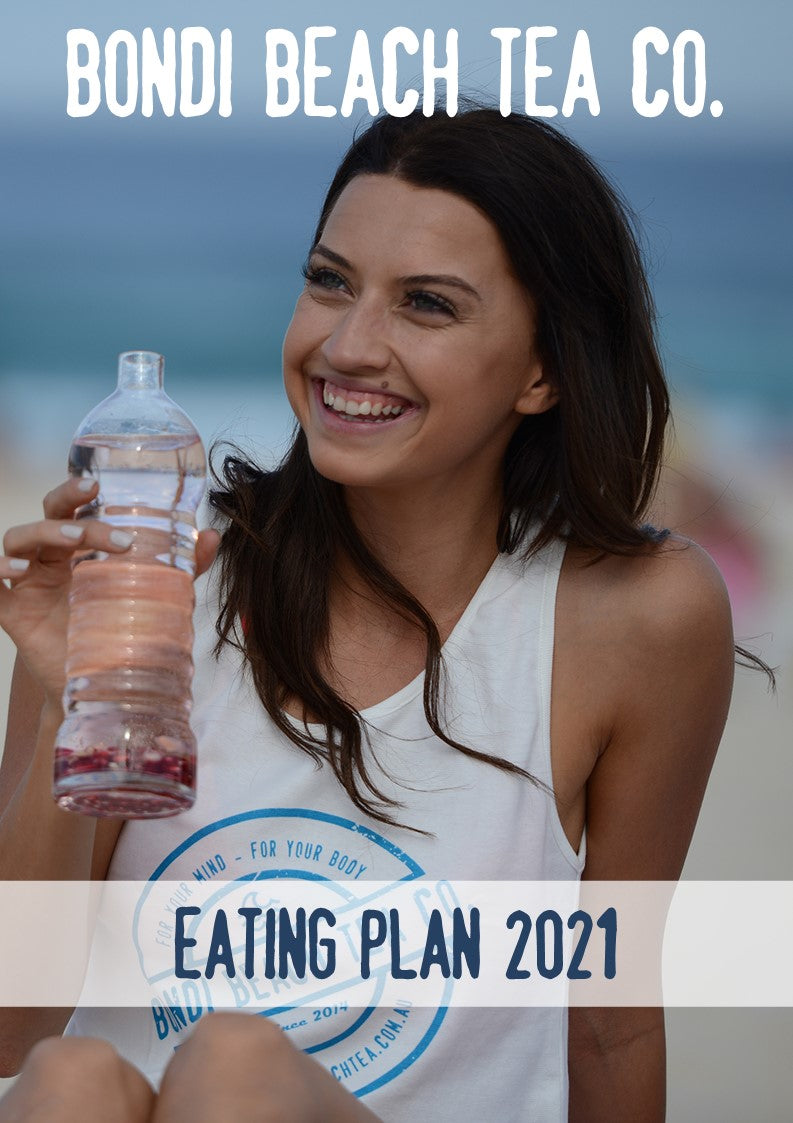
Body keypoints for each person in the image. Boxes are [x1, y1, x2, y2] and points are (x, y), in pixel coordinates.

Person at [0, 107, 739, 1121]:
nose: (348, 345)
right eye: (329, 281)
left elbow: (609, 1017)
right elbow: (12, 1026)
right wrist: (61, 701)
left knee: (233, 1069)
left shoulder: (634, 617)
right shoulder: (163, 568)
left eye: (426, 305)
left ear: (544, 369)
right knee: (70, 1076)